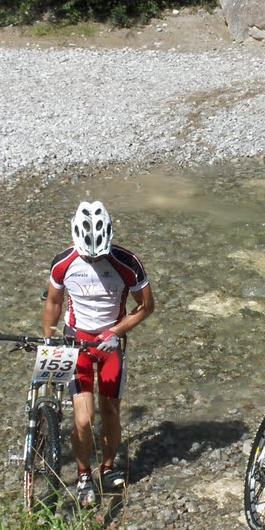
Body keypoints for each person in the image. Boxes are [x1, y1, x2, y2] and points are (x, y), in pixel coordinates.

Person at [43, 201, 155, 508]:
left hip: (110, 346)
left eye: (100, 254)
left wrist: (117, 332)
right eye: (90, 255)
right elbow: (54, 303)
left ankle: (107, 467)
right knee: (83, 419)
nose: (95, 259)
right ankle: (82, 474)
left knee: (111, 411)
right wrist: (49, 339)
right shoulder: (63, 263)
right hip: (76, 343)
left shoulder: (127, 262)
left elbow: (146, 306)